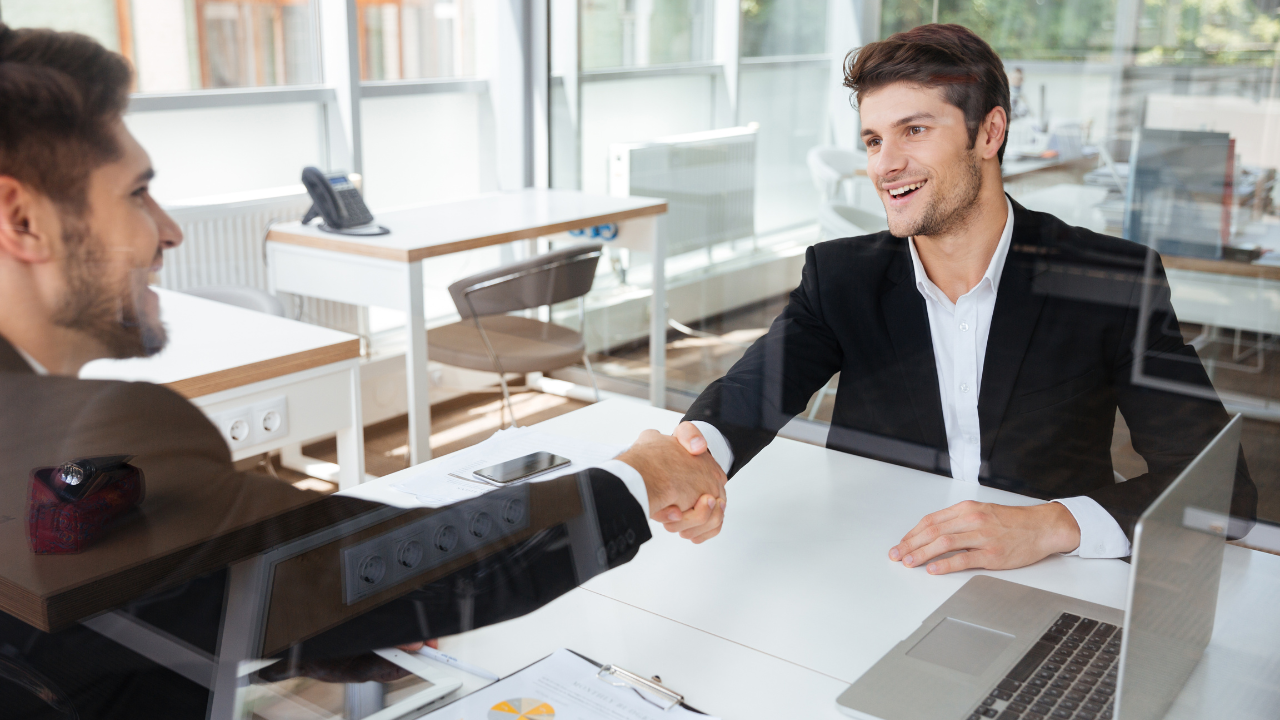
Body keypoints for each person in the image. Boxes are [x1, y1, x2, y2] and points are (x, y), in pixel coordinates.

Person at [0, 23, 722, 718]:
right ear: (22, 218)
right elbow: (404, 562)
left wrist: (297, 628)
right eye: (136, 193)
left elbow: (78, 623)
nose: (168, 231)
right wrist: (642, 474)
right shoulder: (97, 430)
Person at [659, 24, 1257, 572]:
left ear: (988, 132)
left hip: (1049, 575)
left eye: (914, 131)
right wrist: (695, 459)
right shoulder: (841, 276)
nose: (886, 165)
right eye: (873, 140)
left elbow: (1222, 490)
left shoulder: (1111, 280)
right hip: (880, 565)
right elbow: (749, 395)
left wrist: (1054, 524)